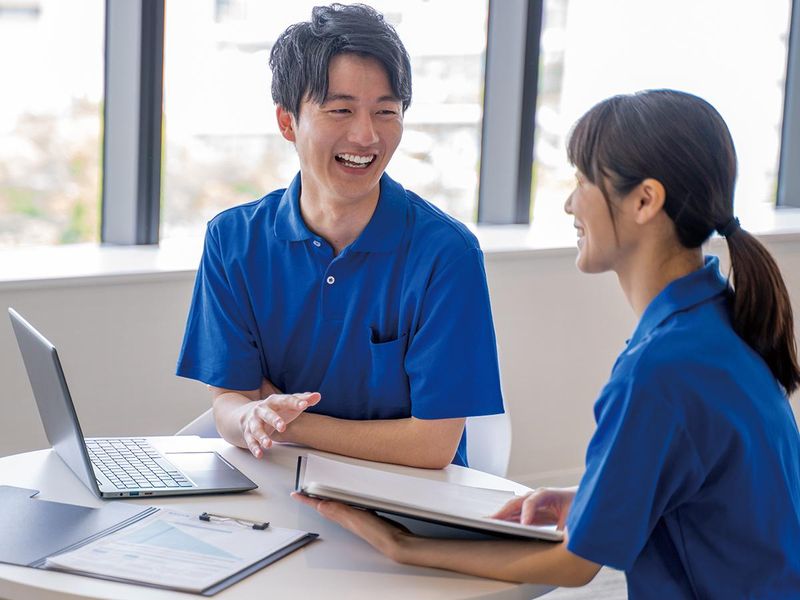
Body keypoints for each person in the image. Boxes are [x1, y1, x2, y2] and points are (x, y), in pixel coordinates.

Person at [294, 89, 800, 597]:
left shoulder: (661, 369)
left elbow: (576, 564)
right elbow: (711, 481)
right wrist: (592, 496)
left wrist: (403, 546)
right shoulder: (719, 319)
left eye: (583, 181)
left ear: (645, 200)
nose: (569, 202)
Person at [176, 4, 503, 469]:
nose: (366, 135)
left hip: (409, 506)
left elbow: (431, 448)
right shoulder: (232, 241)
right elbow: (230, 402)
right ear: (288, 122)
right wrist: (250, 413)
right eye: (340, 110)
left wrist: (288, 420)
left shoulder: (447, 254)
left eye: (386, 111)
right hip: (283, 488)